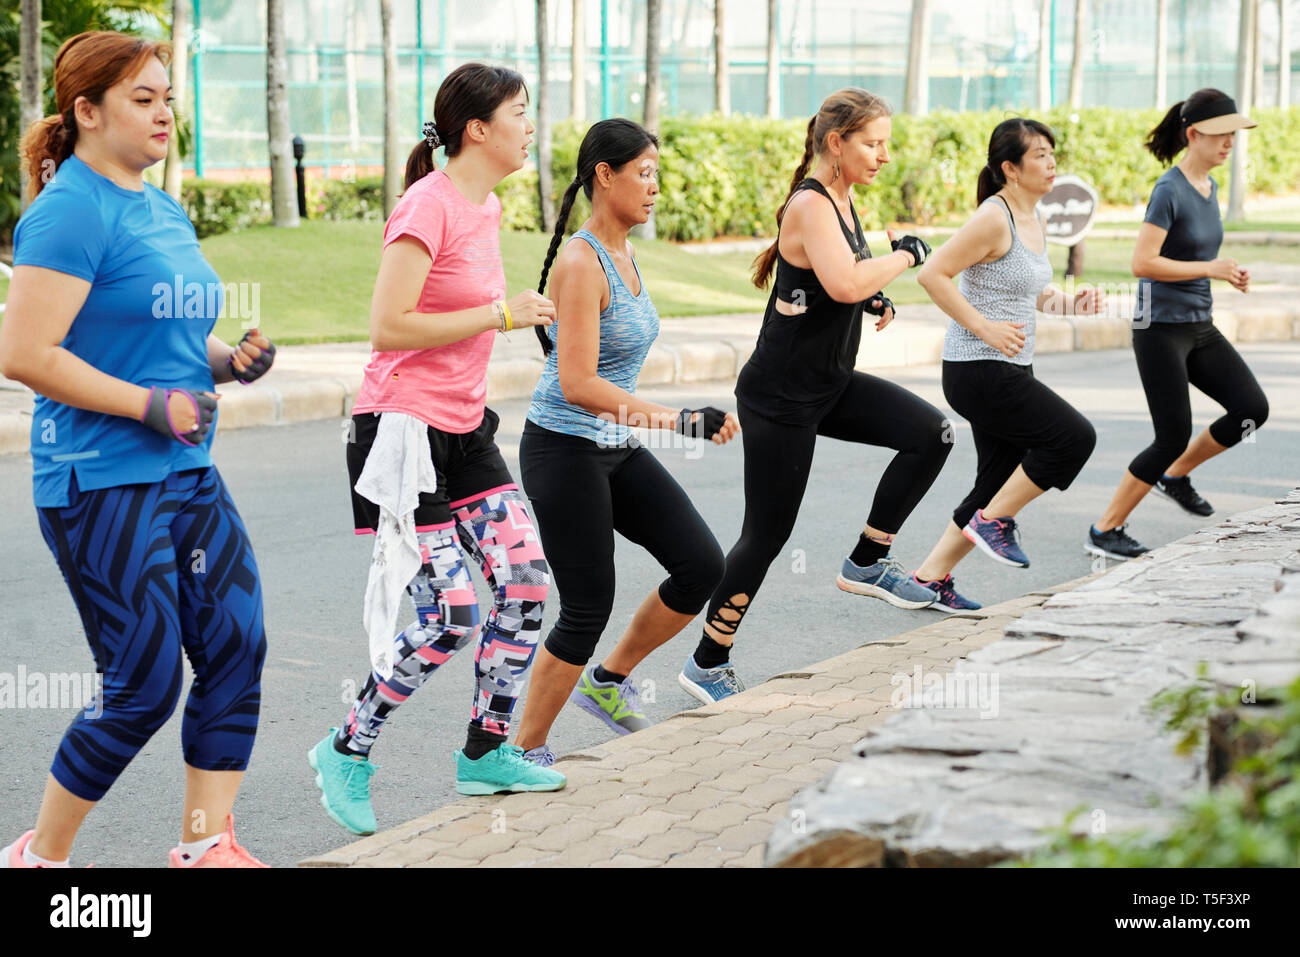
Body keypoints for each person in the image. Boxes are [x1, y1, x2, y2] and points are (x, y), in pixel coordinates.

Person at [0, 31, 274, 868]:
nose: (164, 115)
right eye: (142, 100)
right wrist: (149, 405)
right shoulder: (70, 209)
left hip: (185, 469)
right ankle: (40, 856)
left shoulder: (159, 206)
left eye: (167, 99)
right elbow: (24, 352)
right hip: (100, 481)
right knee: (143, 685)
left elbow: (171, 334)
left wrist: (229, 361)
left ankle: (205, 844)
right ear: (86, 112)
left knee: (236, 642)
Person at [307, 63, 564, 837]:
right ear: (478, 128)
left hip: (465, 428)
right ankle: (346, 748)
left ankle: (486, 753)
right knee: (450, 613)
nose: (530, 124)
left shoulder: (482, 211)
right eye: (521, 112)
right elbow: (388, 325)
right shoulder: (428, 204)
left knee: (524, 582)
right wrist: (498, 313)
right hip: (400, 434)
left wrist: (519, 320)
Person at [682, 88, 953, 704]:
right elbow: (844, 277)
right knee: (767, 535)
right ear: (837, 143)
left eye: (886, 144)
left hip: (827, 384)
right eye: (873, 143)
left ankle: (865, 560)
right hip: (779, 399)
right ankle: (706, 660)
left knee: (929, 434)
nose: (883, 156)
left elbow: (840, 285)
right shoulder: (810, 202)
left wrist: (871, 295)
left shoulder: (841, 197)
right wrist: (903, 256)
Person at [510, 119, 739, 765]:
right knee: (587, 604)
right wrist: (676, 419)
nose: (654, 186)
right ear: (603, 176)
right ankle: (524, 750)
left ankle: (607, 682)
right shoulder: (583, 262)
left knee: (700, 564)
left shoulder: (627, 253)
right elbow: (578, 382)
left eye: (656, 173)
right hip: (563, 448)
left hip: (610, 444)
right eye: (643, 172)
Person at [909, 118, 1100, 610]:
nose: (1051, 161)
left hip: (1010, 367)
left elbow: (1032, 293)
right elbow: (933, 274)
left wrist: (1072, 305)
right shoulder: (994, 217)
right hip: (978, 369)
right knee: (1073, 438)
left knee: (995, 482)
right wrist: (983, 327)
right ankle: (993, 522)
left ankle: (929, 577)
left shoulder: (1033, 219)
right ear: (1010, 168)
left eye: (1052, 152)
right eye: (1039, 154)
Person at [1087, 89, 1267, 561]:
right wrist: (1210, 268)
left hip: (1198, 323)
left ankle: (1176, 474)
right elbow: (1142, 262)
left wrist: (1224, 270)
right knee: (1170, 434)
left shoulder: (1209, 188)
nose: (1230, 142)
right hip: (1160, 328)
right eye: (1221, 134)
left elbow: (1194, 255)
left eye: (1234, 134)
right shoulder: (1170, 188)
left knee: (1250, 408)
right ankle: (1105, 528)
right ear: (1193, 134)